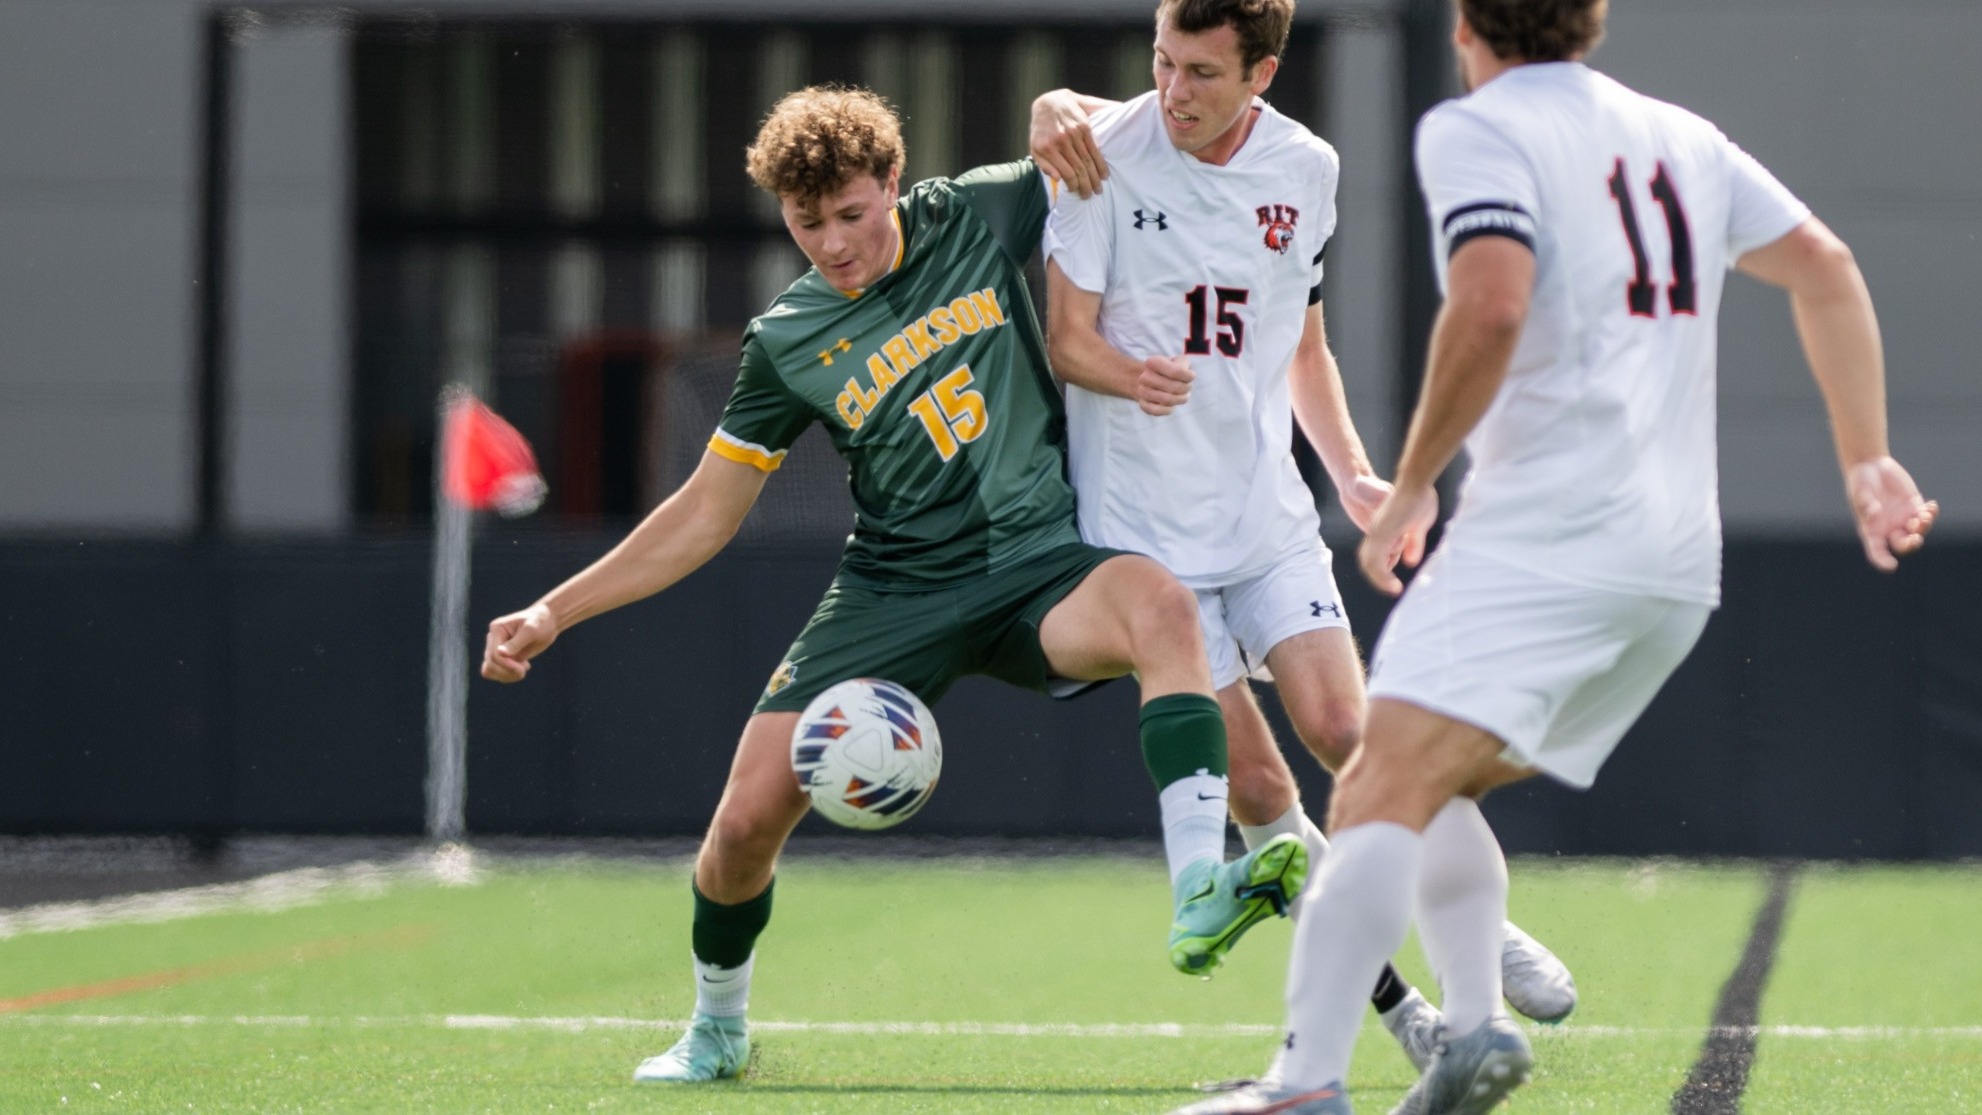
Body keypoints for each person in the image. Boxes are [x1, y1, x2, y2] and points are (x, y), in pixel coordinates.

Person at [1172, 0, 1939, 1110]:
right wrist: (1865, 457)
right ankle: (1475, 1024)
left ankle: (1306, 1081)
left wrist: (1417, 476)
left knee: (1376, 776)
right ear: (1589, 21)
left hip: (1546, 538)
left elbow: (1486, 308)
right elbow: (1822, 264)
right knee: (1428, 779)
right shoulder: (1681, 136)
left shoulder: (1476, 126)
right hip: (1673, 566)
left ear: (1463, 27)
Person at [480, 86, 1311, 1085]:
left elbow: (1141, 128)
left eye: (849, 213)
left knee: (1161, 605)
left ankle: (1194, 889)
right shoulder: (785, 342)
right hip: (894, 588)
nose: (830, 242)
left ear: (891, 184)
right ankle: (715, 1025)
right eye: (804, 221)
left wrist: (1058, 104)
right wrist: (552, 608)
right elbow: (703, 514)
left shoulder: (973, 212)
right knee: (743, 822)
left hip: (1039, 563)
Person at [1025, 0, 1575, 1075]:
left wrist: (1353, 471)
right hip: (1147, 553)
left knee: (1351, 732)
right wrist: (1125, 373)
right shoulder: (1101, 157)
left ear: (1260, 74)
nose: (1172, 91)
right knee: (1267, 802)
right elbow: (1065, 340)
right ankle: (1402, 1014)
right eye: (1161, 63)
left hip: (1266, 521)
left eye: (1200, 73)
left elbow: (1300, 344)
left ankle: (1479, 930)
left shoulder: (1304, 168)